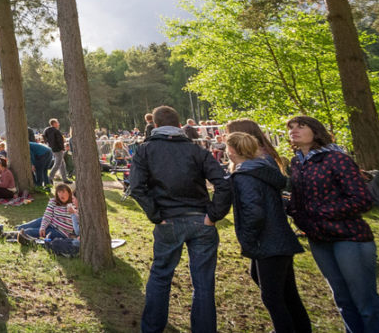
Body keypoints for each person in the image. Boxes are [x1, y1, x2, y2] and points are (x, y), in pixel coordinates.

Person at [129, 105, 232, 333]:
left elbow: (136, 187)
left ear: (155, 125)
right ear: (179, 126)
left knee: (161, 276)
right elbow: (223, 183)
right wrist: (212, 215)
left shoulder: (146, 150)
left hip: (180, 219)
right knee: (202, 282)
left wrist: (213, 215)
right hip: (192, 219)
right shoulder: (196, 150)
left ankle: (152, 329)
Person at [286, 115, 379, 333]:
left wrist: (318, 212)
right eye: (291, 127)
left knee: (365, 303)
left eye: (301, 126)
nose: (294, 130)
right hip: (318, 238)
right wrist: (296, 214)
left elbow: (362, 199)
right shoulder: (297, 163)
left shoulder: (336, 159)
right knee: (343, 300)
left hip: (349, 238)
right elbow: (298, 199)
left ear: (316, 131)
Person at [225, 132, 311, 333]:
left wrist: (248, 240)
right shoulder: (262, 168)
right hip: (278, 237)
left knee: (273, 297)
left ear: (233, 151)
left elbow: (253, 211)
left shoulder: (245, 176)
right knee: (284, 291)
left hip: (267, 240)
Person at [44, 119, 70, 183]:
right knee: (58, 163)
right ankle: (50, 177)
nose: (59, 124)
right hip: (58, 149)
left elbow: (45, 138)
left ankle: (65, 179)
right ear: (54, 123)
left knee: (62, 164)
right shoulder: (56, 131)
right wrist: (62, 148)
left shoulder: (46, 130)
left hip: (52, 148)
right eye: (57, 123)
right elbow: (60, 141)